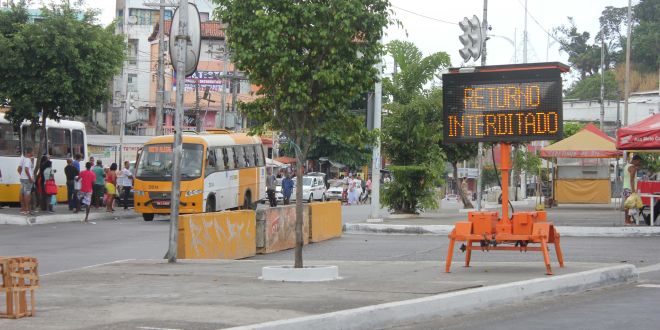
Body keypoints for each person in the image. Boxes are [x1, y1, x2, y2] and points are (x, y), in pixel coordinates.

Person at [624, 154, 642, 226]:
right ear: (636, 161)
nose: (640, 163)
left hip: (626, 187)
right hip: (630, 188)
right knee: (629, 205)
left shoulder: (627, 166)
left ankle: (627, 220)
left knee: (627, 205)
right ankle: (628, 221)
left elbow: (633, 176)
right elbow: (632, 180)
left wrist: (637, 170)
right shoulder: (632, 168)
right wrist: (633, 191)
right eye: (639, 161)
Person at [18, 148, 35, 215]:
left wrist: (22, 175)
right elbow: (26, 169)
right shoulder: (27, 160)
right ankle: (27, 208)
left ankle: (23, 208)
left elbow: (19, 169)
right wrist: (30, 178)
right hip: (27, 179)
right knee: (27, 193)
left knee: (21, 192)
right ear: (30, 152)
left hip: (23, 178)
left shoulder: (23, 159)